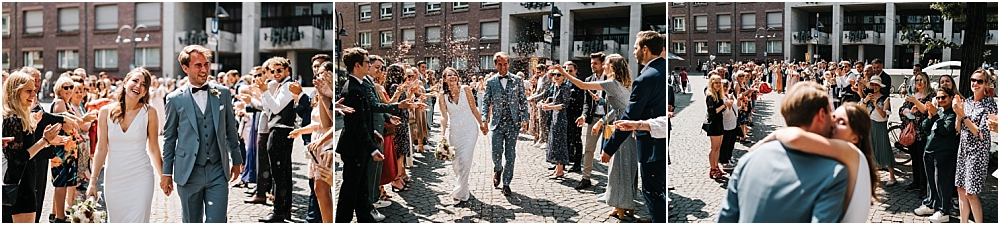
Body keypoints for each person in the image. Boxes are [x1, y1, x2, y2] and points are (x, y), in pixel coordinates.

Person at [717, 82, 849, 222]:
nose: (833, 118)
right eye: (831, 112)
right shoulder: (832, 173)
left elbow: (726, 220)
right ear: (822, 114)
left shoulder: (747, 161)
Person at [749, 102, 879, 222]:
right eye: (833, 117)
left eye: (842, 122)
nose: (833, 124)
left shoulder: (851, 152)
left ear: (855, 137)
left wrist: (764, 143)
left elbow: (795, 138)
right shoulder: (848, 159)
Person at [160, 45, 244, 223]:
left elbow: (230, 130)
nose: (204, 69)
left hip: (217, 170)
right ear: (185, 68)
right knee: (191, 221)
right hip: (188, 172)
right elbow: (169, 138)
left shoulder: (222, 93)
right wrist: (166, 172)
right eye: (198, 65)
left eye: (206, 64)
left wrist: (237, 160)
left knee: (218, 220)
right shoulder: (174, 99)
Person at [559, 53, 638, 218]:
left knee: (618, 167)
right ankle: (629, 204)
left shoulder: (611, 83)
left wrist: (563, 72)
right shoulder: (624, 84)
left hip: (621, 127)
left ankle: (620, 206)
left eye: (606, 64)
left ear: (613, 67)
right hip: (628, 126)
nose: (604, 67)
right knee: (628, 167)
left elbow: (581, 85)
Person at [600, 31, 667, 223]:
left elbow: (630, 117)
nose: (634, 51)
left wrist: (609, 148)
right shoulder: (662, 70)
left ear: (645, 50)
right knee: (657, 189)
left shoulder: (645, 79)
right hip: (661, 138)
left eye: (636, 47)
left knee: (652, 191)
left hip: (652, 143)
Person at [83, 68, 163, 222]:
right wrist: (93, 182)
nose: (138, 86)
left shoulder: (150, 112)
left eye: (144, 84)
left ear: (146, 91)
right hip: (114, 178)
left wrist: (163, 176)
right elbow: (101, 148)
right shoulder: (105, 112)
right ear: (125, 82)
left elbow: (153, 148)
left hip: (141, 176)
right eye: (135, 81)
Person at [3, 72, 68, 223]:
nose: (34, 94)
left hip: (26, 181)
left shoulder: (22, 116)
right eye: (28, 91)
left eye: (34, 90)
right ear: (15, 91)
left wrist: (40, 133)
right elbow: (19, 157)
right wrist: (45, 140)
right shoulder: (13, 119)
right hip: (19, 184)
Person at [335, 48, 383, 223]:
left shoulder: (359, 85)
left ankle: (364, 217)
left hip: (358, 146)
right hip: (354, 148)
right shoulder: (353, 89)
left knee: (361, 186)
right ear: (357, 65)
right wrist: (372, 149)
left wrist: (374, 133)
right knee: (350, 189)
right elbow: (357, 124)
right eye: (367, 62)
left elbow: (363, 118)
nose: (369, 65)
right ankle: (342, 220)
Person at [288, 63, 335, 223]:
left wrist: (327, 95)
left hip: (327, 144)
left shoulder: (334, 93)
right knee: (318, 189)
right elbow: (321, 122)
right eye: (317, 73)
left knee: (323, 188)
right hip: (317, 144)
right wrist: (300, 131)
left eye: (322, 73)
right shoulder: (319, 93)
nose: (318, 76)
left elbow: (331, 125)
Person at [479, 52, 529, 196]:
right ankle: (498, 168)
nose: (503, 67)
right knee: (495, 153)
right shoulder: (490, 82)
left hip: (513, 124)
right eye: (500, 64)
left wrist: (525, 119)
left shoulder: (517, 80)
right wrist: (484, 119)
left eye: (505, 64)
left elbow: (523, 101)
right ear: (495, 65)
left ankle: (507, 182)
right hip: (497, 123)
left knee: (511, 154)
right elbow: (485, 102)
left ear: (509, 64)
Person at [437, 67, 484, 205]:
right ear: (444, 79)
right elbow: (444, 117)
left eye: (454, 74)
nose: (452, 77)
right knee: (456, 163)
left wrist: (481, 124)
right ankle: (464, 188)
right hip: (455, 132)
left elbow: (474, 108)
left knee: (465, 160)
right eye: (449, 75)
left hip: (470, 130)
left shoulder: (466, 89)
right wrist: (442, 134)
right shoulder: (442, 95)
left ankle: (457, 193)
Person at [912, 87, 960, 223]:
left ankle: (944, 211)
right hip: (929, 151)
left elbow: (945, 130)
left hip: (944, 153)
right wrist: (930, 115)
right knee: (931, 182)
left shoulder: (953, 114)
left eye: (943, 97)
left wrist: (935, 117)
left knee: (942, 183)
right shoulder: (937, 111)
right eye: (938, 98)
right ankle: (931, 204)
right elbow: (925, 127)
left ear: (951, 97)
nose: (940, 100)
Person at [954, 70, 995, 224]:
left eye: (979, 81)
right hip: (964, 150)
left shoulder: (990, 104)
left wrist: (963, 116)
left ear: (986, 84)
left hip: (978, 152)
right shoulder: (968, 101)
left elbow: (981, 133)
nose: (975, 84)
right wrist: (958, 115)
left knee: (971, 193)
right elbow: (958, 129)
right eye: (973, 80)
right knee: (961, 189)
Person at [574, 52, 607, 190]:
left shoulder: (610, 78)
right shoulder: (588, 80)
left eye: (595, 63)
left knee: (611, 151)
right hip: (593, 118)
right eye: (591, 63)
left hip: (609, 119)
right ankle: (586, 178)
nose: (592, 66)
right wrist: (583, 115)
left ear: (603, 64)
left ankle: (614, 181)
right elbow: (586, 102)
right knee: (588, 149)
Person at [899, 72, 934, 196]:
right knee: (914, 157)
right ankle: (916, 181)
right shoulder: (912, 94)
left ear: (926, 82)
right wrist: (908, 111)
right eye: (917, 80)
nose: (919, 82)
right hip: (911, 130)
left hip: (923, 132)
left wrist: (916, 102)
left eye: (921, 80)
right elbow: (902, 109)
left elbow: (925, 110)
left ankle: (924, 185)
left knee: (922, 158)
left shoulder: (930, 95)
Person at [864, 76, 897, 186]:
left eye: (876, 85)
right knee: (871, 149)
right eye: (872, 84)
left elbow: (884, 115)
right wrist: (865, 101)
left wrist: (875, 105)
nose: (874, 87)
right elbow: (862, 112)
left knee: (884, 148)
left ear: (880, 86)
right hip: (870, 125)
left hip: (880, 125)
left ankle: (892, 176)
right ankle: (872, 175)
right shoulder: (868, 97)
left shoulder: (885, 98)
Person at [540, 69, 571, 179]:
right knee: (554, 143)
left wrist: (549, 107)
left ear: (564, 77)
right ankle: (558, 169)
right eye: (554, 74)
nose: (556, 76)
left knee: (559, 144)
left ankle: (560, 170)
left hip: (561, 119)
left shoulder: (565, 88)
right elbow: (556, 102)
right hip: (555, 117)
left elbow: (564, 105)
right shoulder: (556, 87)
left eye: (559, 74)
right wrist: (546, 105)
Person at [704, 74, 727, 178]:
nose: (718, 85)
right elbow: (712, 112)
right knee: (714, 148)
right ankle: (712, 169)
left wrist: (725, 106)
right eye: (716, 83)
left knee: (718, 147)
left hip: (719, 122)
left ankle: (716, 166)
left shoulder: (719, 94)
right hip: (713, 123)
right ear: (711, 83)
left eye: (719, 82)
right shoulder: (710, 95)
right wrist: (724, 106)